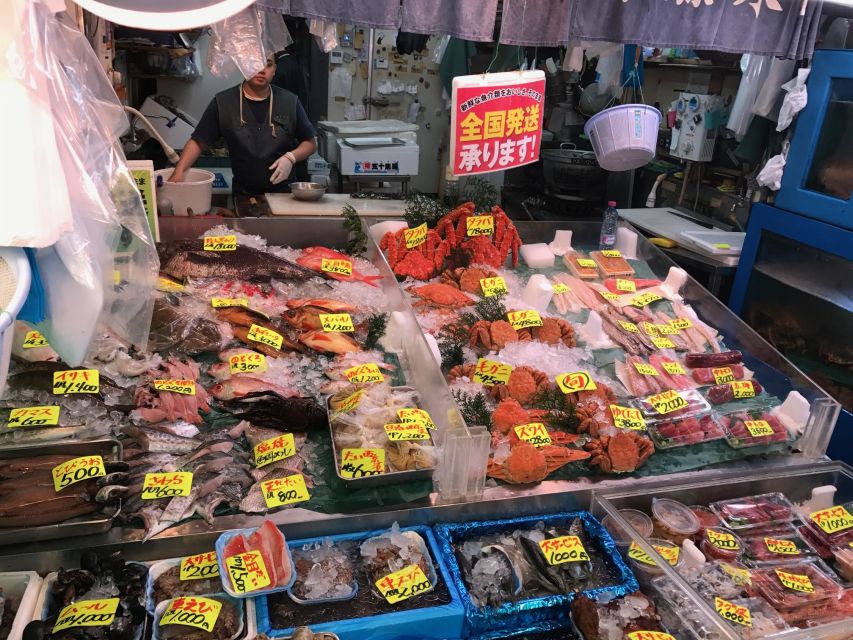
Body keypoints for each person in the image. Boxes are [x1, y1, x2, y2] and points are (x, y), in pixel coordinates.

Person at [169, 56, 317, 196]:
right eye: (254, 62)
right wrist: (179, 171)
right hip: (244, 194)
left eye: (268, 64)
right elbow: (198, 141)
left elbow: (311, 143)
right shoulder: (223, 102)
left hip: (284, 194)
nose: (261, 69)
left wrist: (291, 157)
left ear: (274, 70)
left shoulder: (289, 102)